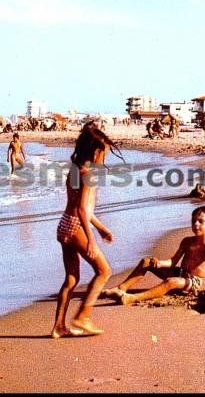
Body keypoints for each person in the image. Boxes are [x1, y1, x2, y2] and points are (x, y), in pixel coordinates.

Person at [51, 122, 125, 339]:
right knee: (104, 271)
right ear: (96, 151)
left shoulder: (74, 171)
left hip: (64, 224)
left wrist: (101, 228)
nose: (105, 159)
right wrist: (92, 240)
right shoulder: (89, 174)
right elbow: (83, 210)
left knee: (71, 279)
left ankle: (58, 326)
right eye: (105, 154)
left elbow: (81, 208)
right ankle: (83, 316)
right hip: (75, 227)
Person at [102, 206, 205, 305]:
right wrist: (160, 264)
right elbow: (173, 261)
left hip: (193, 281)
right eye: (194, 221)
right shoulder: (186, 241)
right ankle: (121, 289)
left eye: (201, 221)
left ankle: (133, 298)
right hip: (180, 273)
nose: (196, 224)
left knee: (170, 281)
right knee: (146, 261)